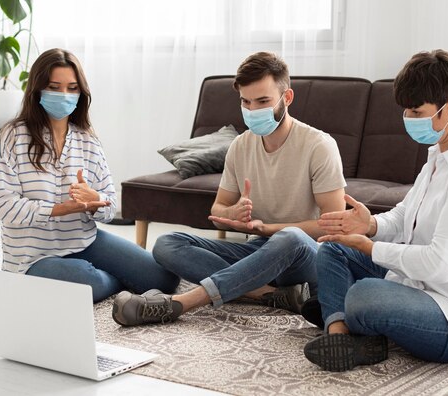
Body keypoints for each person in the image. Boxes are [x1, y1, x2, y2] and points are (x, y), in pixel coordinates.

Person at [301, 49, 448, 372]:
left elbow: (440, 264)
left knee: (364, 296)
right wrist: (370, 225)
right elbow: (406, 216)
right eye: (406, 110)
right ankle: (341, 331)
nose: (409, 118)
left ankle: (340, 310)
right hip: (422, 288)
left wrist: (372, 248)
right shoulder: (440, 155)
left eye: (417, 111)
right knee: (334, 248)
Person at [111, 51, 347, 326]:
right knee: (167, 244)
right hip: (261, 252)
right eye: (245, 102)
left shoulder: (319, 145)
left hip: (304, 256)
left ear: (287, 98)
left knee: (290, 237)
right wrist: (233, 213)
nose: (252, 110)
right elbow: (219, 207)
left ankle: (181, 303)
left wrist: (268, 229)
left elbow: (333, 226)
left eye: (263, 101)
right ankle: (267, 295)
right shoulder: (240, 146)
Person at [0, 48, 179, 302]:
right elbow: (3, 206)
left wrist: (94, 201)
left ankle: (102, 279)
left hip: (85, 242)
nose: (64, 95)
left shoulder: (87, 140)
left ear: (81, 92)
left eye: (72, 88)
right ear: (36, 90)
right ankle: (106, 280)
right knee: (86, 281)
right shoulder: (12, 136)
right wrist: (60, 209)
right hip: (32, 258)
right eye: (54, 87)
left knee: (164, 278)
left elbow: (110, 205)